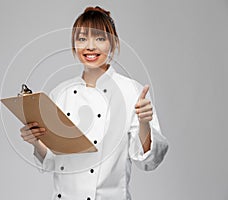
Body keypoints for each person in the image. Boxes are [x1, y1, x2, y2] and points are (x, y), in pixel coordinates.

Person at [20, 6, 169, 200]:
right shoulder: (60, 93)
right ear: (74, 44)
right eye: (82, 39)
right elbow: (51, 162)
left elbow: (149, 162)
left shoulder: (132, 92)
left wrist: (144, 123)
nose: (90, 47)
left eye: (99, 38)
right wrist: (35, 140)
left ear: (113, 43)